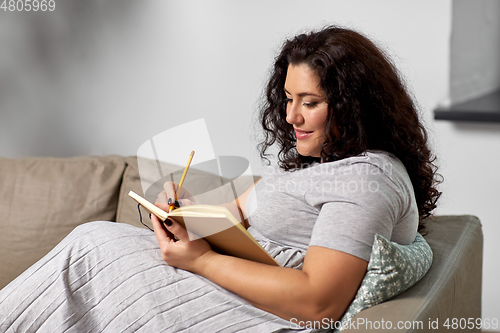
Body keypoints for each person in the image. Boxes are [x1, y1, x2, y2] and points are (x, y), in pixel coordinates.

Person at [0, 25, 440, 332]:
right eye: (288, 99)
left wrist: (199, 261)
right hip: (217, 280)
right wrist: (185, 210)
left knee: (89, 248)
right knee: (90, 243)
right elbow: (232, 219)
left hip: (242, 307)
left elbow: (317, 304)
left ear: (353, 104)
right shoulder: (331, 165)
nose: (290, 117)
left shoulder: (366, 181)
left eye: (310, 102)